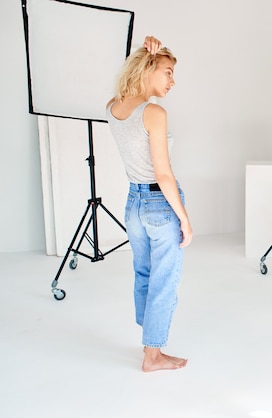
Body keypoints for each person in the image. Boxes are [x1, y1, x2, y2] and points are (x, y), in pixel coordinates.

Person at [106, 36, 192, 371]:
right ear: (148, 70)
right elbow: (164, 173)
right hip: (159, 203)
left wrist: (149, 53)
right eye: (167, 72)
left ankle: (148, 340)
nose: (172, 81)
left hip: (133, 205)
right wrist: (184, 218)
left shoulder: (114, 106)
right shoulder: (153, 112)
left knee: (143, 272)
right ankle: (153, 355)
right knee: (164, 278)